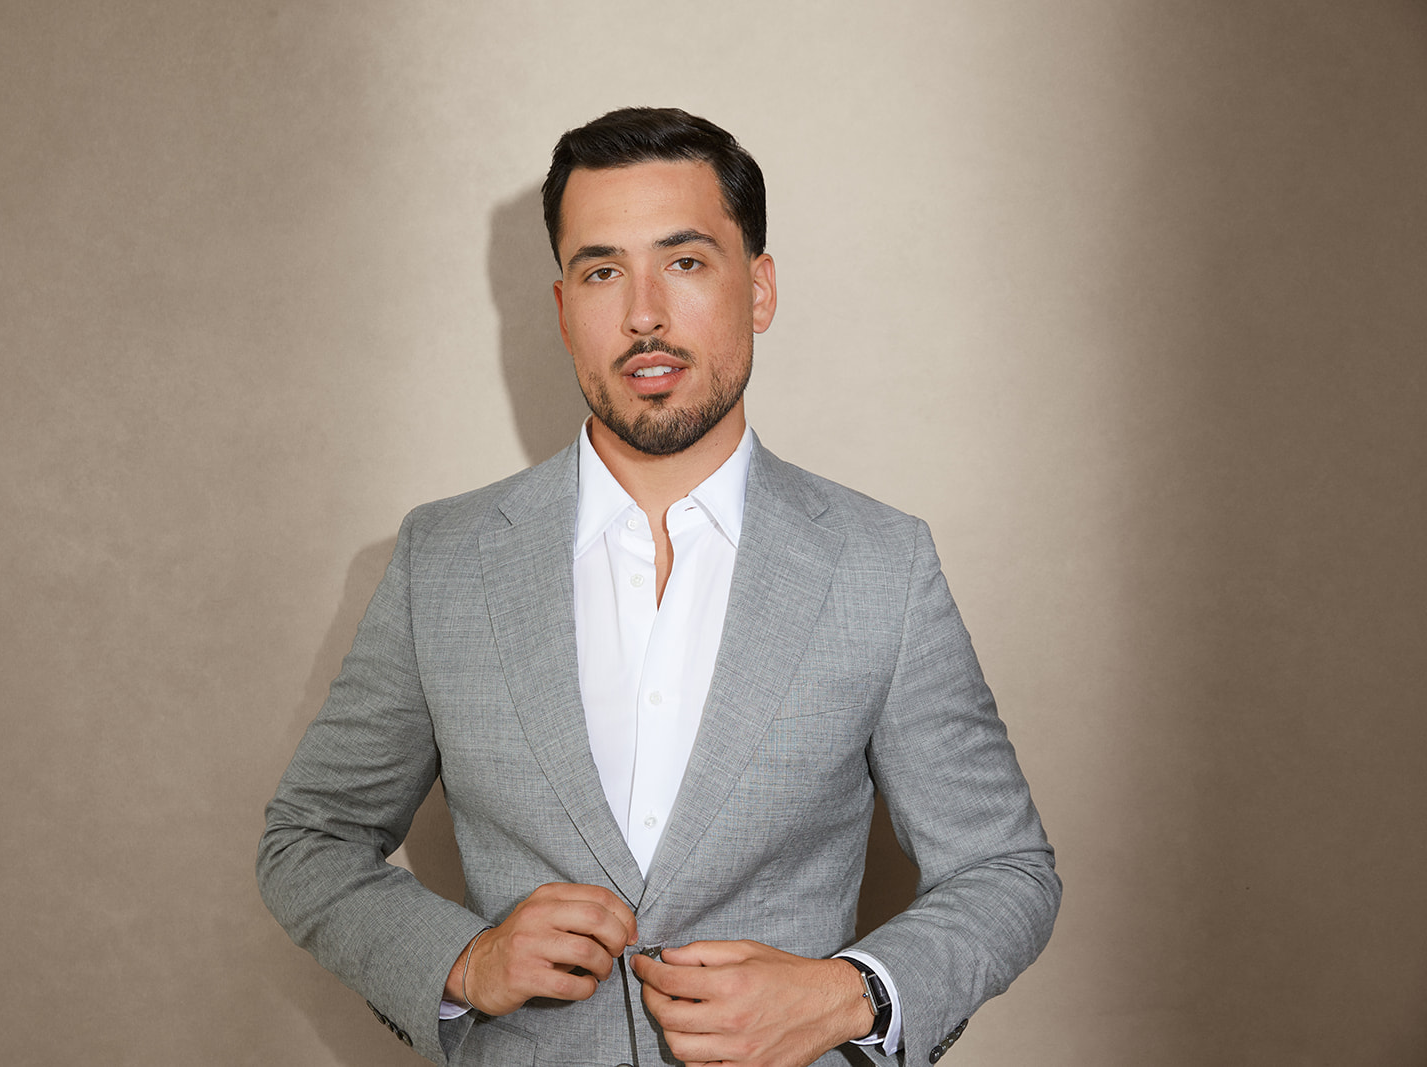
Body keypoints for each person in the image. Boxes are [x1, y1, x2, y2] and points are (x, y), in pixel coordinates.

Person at [258, 107, 1059, 1067]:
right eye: (603, 271)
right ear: (564, 310)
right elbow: (309, 838)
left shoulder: (882, 564)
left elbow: (1004, 868)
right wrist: (465, 961)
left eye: (684, 262)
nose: (644, 313)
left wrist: (848, 994)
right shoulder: (444, 558)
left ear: (757, 289)